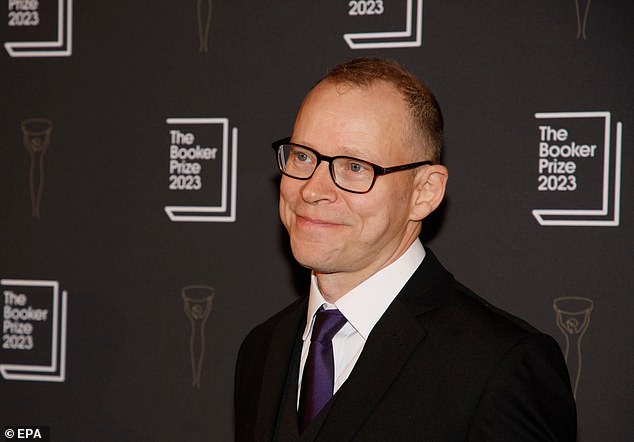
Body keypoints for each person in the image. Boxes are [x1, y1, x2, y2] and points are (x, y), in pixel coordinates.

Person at [234, 57, 576, 441]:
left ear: (424, 192)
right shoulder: (262, 349)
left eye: (354, 167)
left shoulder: (500, 366)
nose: (312, 190)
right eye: (302, 156)